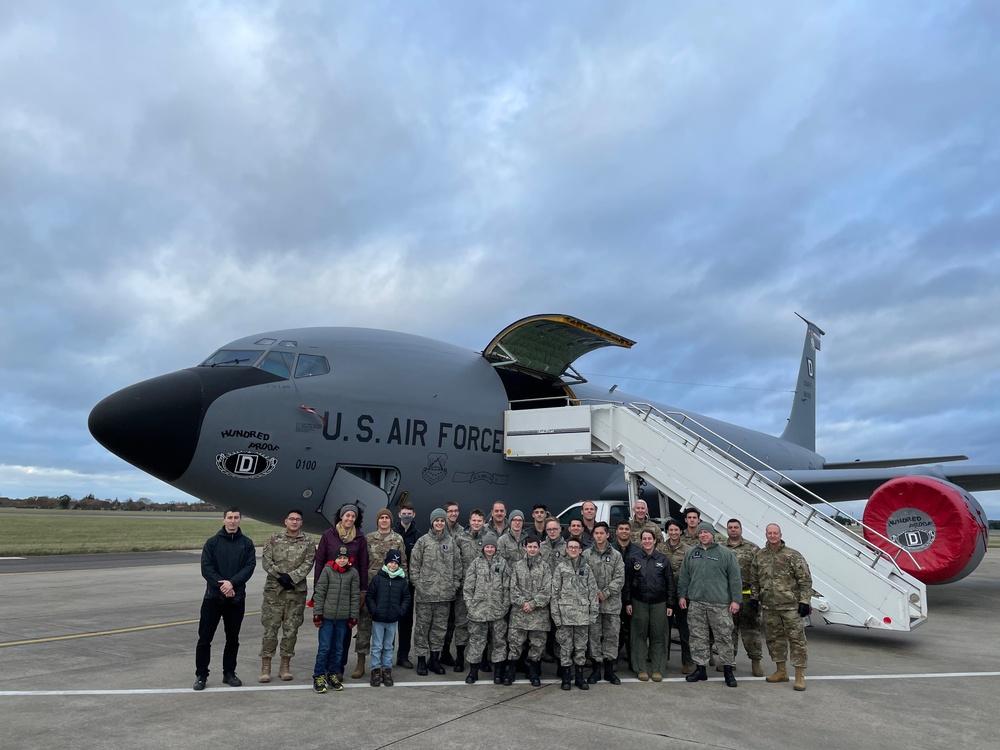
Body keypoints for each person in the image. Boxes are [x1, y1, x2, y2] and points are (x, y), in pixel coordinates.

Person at [193, 507, 256, 691]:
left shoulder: (247, 543)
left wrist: (232, 583)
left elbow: (249, 567)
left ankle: (229, 673)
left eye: (236, 517)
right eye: (230, 517)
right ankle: (201, 675)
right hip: (213, 598)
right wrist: (222, 586)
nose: (233, 521)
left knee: (233, 639)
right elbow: (206, 568)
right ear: (224, 520)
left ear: (240, 520)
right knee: (204, 639)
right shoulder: (212, 542)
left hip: (236, 599)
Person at [678, 522, 742, 688]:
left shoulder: (725, 554)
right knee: (698, 637)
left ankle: (728, 670)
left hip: (719, 603)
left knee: (724, 637)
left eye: (706, 532)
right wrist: (682, 595)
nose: (703, 535)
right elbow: (684, 576)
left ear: (712, 534)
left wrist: (736, 600)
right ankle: (701, 669)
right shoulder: (691, 553)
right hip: (697, 603)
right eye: (700, 533)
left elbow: (735, 578)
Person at [750, 523, 813, 691]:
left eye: (775, 533)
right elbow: (754, 579)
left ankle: (799, 676)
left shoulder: (792, 555)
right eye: (769, 533)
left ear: (780, 534)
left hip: (790, 606)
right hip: (770, 606)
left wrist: (805, 601)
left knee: (797, 640)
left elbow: (805, 580)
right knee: (774, 640)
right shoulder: (760, 556)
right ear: (766, 534)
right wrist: (754, 599)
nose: (772, 535)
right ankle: (781, 671)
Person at [258, 509, 315, 683]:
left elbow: (308, 563)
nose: (294, 522)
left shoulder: (309, 543)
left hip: (295, 593)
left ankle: (284, 666)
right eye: (291, 519)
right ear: (285, 521)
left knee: (291, 631)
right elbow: (266, 561)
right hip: (274, 593)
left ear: (301, 522)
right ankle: (266, 666)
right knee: (270, 629)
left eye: (298, 519)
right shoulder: (274, 539)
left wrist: (291, 578)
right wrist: (279, 576)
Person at [313, 503, 369, 680]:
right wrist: (316, 590)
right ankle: (323, 669)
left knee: (343, 636)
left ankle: (338, 669)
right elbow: (319, 562)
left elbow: (363, 565)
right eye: (347, 515)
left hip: (348, 590)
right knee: (327, 635)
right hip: (329, 590)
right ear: (341, 516)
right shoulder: (328, 535)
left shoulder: (360, 538)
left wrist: (363, 591)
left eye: (353, 516)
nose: (350, 519)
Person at [409, 508, 463, 676]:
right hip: (425, 596)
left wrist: (453, 585)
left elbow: (458, 566)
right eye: (436, 521)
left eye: (441, 521)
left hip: (444, 596)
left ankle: (434, 659)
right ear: (432, 522)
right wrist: (419, 585)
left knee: (439, 630)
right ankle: (421, 661)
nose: (439, 523)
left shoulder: (451, 542)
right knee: (422, 629)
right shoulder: (423, 542)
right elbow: (414, 566)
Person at [356, 509, 407, 681]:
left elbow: (404, 564)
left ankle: (385, 666)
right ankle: (361, 661)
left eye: (387, 518)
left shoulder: (397, 539)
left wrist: (401, 588)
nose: (384, 520)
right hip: (372, 589)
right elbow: (362, 564)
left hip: (391, 591)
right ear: (377, 521)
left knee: (386, 631)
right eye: (381, 518)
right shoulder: (369, 538)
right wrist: (362, 588)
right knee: (364, 627)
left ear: (391, 521)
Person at [624, 530, 675, 682]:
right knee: (639, 636)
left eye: (649, 539)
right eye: (644, 539)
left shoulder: (663, 560)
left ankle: (658, 669)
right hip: (639, 602)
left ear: (655, 541)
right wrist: (627, 602)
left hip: (659, 603)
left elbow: (670, 583)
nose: (647, 541)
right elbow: (627, 583)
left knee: (658, 636)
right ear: (640, 541)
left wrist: (670, 604)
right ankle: (641, 669)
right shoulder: (633, 559)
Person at [463, 532, 512, 684]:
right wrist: (471, 607)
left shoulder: (502, 563)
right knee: (477, 642)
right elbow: (468, 588)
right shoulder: (476, 563)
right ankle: (473, 671)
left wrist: (504, 608)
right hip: (478, 612)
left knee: (499, 642)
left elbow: (507, 587)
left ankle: (498, 673)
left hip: (497, 612)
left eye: (492, 546)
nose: (489, 549)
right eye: (487, 546)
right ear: (483, 548)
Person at [551, 538, 599, 691]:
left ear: (580, 550)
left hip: (582, 616)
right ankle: (566, 678)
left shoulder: (587, 568)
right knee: (565, 648)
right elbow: (555, 593)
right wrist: (556, 617)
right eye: (570, 547)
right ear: (566, 549)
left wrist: (593, 615)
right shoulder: (561, 568)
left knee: (580, 648)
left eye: (576, 547)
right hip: (565, 616)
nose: (573, 550)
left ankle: (579, 677)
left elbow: (593, 592)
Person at [312, 546, 360, 693]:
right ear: (334, 559)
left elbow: (354, 596)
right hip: (327, 617)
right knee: (324, 648)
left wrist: (353, 616)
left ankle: (333, 674)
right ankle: (319, 676)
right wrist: (317, 613)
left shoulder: (353, 573)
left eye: (345, 558)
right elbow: (319, 593)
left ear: (349, 560)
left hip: (342, 619)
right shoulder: (327, 571)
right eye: (339, 558)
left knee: (338, 649)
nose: (342, 560)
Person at [508, 534, 553, 687]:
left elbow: (548, 590)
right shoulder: (517, 566)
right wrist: (523, 603)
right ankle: (512, 670)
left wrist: (533, 604)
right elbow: (512, 588)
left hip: (538, 614)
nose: (532, 549)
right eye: (530, 546)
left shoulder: (545, 567)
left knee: (537, 644)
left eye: (535, 547)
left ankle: (534, 672)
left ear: (539, 548)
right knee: (515, 643)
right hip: (519, 613)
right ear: (525, 548)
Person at [583, 522, 625, 684]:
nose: (599, 536)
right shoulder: (586, 555)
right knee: (594, 637)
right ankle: (595, 670)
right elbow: (583, 577)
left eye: (602, 533)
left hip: (612, 605)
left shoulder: (616, 555)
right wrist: (594, 594)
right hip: (593, 605)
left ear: (608, 535)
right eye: (596, 533)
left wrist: (605, 593)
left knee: (611, 636)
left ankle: (609, 670)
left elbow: (620, 578)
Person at [723, 518, 763, 677]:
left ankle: (755, 662)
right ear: (727, 530)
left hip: (747, 597)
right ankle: (729, 662)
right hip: (727, 597)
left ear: (741, 529)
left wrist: (756, 597)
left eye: (736, 527)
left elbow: (759, 573)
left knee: (750, 631)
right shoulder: (720, 549)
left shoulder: (753, 548)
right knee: (728, 631)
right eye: (730, 527)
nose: (733, 530)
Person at [365, 548, 411, 687]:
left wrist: (400, 612)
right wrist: (374, 610)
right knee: (377, 646)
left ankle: (387, 669)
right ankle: (376, 670)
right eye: (390, 562)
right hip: (378, 619)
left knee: (388, 646)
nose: (393, 565)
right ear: (386, 563)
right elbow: (370, 596)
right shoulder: (378, 579)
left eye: (396, 563)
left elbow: (406, 598)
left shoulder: (402, 581)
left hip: (392, 620)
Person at [659, 519, 693, 674]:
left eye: (676, 530)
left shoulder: (689, 550)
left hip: (682, 595)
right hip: (663, 596)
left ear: (681, 531)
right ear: (667, 531)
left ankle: (687, 662)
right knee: (663, 629)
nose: (673, 533)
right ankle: (661, 660)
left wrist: (685, 594)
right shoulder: (659, 548)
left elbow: (692, 573)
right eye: (670, 530)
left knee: (684, 629)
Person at [392, 500, 420, 668]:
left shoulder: (419, 536)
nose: (407, 516)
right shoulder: (393, 534)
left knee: (406, 622)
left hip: (409, 585)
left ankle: (403, 656)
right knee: (390, 621)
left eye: (409, 513)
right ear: (399, 514)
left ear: (414, 515)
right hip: (393, 583)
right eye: (404, 513)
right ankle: (388, 655)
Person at [612, 519, 637, 670]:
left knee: (631, 629)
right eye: (621, 528)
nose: (623, 531)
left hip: (632, 597)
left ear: (630, 532)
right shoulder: (610, 550)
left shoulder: (637, 551)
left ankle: (632, 659)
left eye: (626, 529)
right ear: (616, 531)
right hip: (614, 596)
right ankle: (613, 659)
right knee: (614, 630)